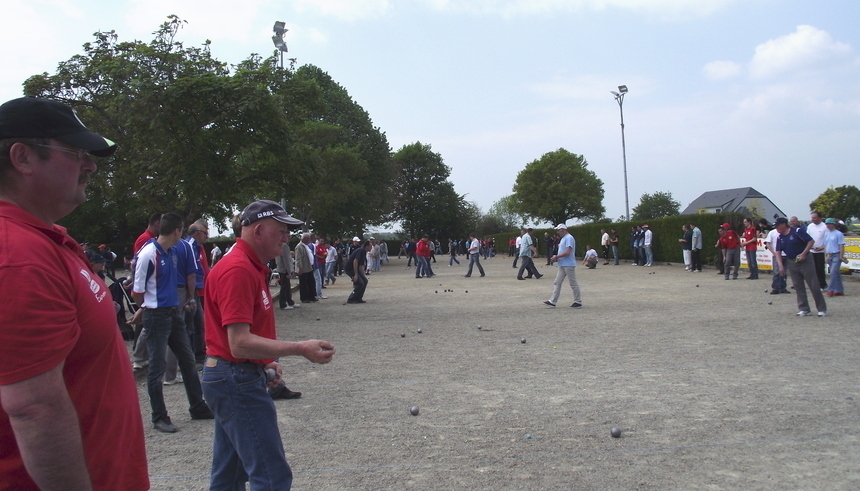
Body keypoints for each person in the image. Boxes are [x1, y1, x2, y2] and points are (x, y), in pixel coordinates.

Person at [0, 96, 148, 489]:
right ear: (23, 158)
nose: (90, 165)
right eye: (76, 152)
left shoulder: (46, 241)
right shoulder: (19, 257)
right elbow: (34, 409)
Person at [202, 200, 334, 489]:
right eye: (282, 231)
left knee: (229, 475)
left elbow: (239, 339)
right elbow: (238, 344)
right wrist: (299, 348)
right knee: (271, 476)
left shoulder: (249, 266)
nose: (287, 238)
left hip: (230, 375)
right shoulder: (238, 270)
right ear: (258, 230)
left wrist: (266, 361)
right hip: (235, 377)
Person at [131, 212, 213, 433]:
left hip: (171, 312)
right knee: (156, 367)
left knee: (186, 359)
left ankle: (197, 405)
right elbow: (137, 290)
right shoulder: (150, 254)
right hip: (157, 314)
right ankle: (159, 415)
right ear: (177, 231)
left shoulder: (167, 252)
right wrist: (146, 306)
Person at [773, 217, 827, 317]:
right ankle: (804, 308)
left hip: (805, 260)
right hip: (792, 261)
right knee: (798, 286)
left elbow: (810, 241)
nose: (776, 228)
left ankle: (821, 308)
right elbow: (778, 252)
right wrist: (780, 265)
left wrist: (803, 253)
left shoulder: (797, 231)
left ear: (783, 224)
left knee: (813, 284)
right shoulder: (780, 237)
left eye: (777, 226)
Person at [543, 224, 582, 309]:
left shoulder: (569, 238)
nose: (557, 232)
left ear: (563, 230)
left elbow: (568, 252)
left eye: (558, 230)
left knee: (573, 283)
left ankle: (578, 301)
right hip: (563, 264)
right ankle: (552, 301)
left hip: (568, 264)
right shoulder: (564, 238)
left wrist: (556, 257)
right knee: (557, 282)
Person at [823, 218, 847, 296]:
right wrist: (825, 256)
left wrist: (841, 256)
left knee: (833, 272)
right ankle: (839, 290)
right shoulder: (827, 234)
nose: (828, 225)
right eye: (826, 224)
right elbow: (825, 246)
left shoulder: (838, 233)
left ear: (834, 224)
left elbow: (841, 245)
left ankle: (831, 289)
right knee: (836, 273)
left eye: (829, 224)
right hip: (829, 255)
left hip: (836, 254)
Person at [764, 223, 789, 295]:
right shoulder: (772, 232)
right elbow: (767, 243)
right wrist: (774, 253)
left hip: (786, 255)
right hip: (776, 255)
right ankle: (775, 288)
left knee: (784, 272)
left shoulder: (786, 232)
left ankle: (783, 287)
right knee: (776, 272)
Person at [806, 211, 828, 289]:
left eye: (815, 218)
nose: (813, 219)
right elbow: (807, 237)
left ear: (819, 218)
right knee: (812, 269)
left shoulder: (825, 227)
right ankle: (814, 284)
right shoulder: (810, 226)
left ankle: (822, 284)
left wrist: (822, 247)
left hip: (821, 251)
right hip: (811, 251)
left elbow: (827, 239)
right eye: (812, 218)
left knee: (820, 268)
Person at [275, 239, 299, 310]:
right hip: (284, 269)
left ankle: (290, 301)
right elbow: (286, 259)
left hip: (281, 268)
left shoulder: (279, 244)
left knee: (287, 286)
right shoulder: (284, 246)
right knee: (285, 287)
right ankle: (283, 303)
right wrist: (289, 271)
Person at [294, 233, 316, 303]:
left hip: (309, 267)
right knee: (303, 283)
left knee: (311, 282)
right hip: (303, 268)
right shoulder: (299, 247)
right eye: (308, 238)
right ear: (304, 239)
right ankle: (304, 298)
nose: (309, 240)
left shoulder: (306, 246)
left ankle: (311, 296)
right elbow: (298, 258)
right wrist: (300, 268)